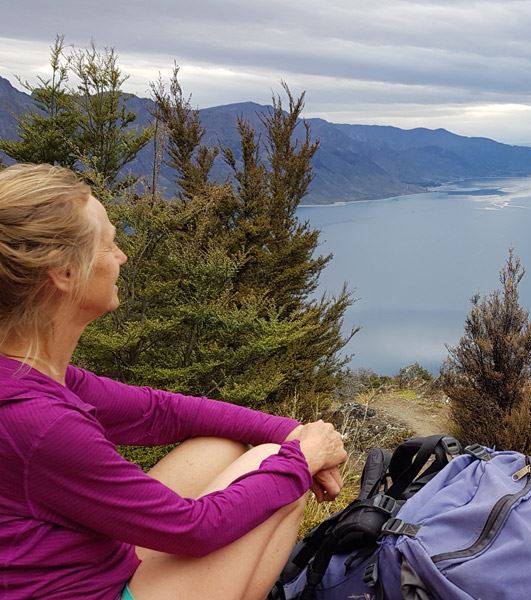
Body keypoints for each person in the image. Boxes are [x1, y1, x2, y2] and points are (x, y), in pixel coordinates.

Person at [0, 163, 349, 600]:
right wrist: (303, 458)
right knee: (281, 484)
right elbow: (193, 530)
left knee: (223, 446)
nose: (121, 257)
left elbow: (157, 411)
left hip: (89, 567)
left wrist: (291, 433)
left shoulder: (29, 373)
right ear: (64, 273)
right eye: (109, 244)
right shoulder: (37, 422)